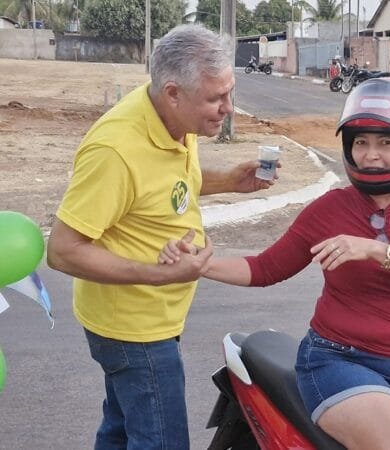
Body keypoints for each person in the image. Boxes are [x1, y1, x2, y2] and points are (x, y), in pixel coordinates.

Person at [160, 77, 390, 450]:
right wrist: (202, 266)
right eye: (361, 142)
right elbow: (265, 268)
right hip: (341, 361)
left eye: (386, 143)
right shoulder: (329, 209)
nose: (370, 155)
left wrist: (376, 251)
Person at [45, 24, 278, 450]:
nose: (228, 108)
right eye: (216, 98)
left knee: (120, 432)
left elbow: (164, 186)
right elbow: (62, 251)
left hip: (153, 320)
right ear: (173, 93)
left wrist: (228, 180)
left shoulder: (173, 120)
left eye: (229, 93)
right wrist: (159, 274)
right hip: (134, 329)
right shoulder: (115, 151)